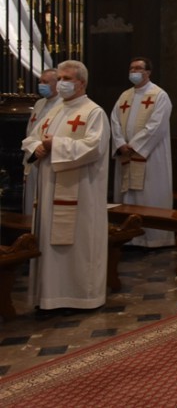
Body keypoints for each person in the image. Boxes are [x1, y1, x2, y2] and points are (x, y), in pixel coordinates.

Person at [22, 60, 109, 317]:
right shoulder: (55, 109)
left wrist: (53, 145)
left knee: (76, 244)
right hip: (49, 188)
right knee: (49, 243)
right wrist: (36, 147)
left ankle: (79, 296)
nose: (61, 83)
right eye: (59, 78)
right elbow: (32, 136)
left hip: (80, 192)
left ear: (81, 83)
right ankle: (50, 296)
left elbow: (93, 148)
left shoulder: (94, 112)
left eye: (66, 78)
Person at [110, 57, 174, 247]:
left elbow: (157, 125)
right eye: (131, 68)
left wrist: (135, 145)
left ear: (148, 72)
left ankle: (153, 239)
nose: (134, 72)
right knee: (128, 194)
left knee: (149, 194)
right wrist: (120, 143)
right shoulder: (125, 96)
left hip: (150, 155)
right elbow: (114, 121)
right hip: (126, 154)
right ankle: (129, 238)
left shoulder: (159, 95)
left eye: (138, 68)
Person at [22, 68, 60, 216]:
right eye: (40, 82)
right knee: (31, 200)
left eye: (45, 82)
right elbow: (31, 130)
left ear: (57, 84)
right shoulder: (39, 103)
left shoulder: (63, 104)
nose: (41, 85)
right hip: (32, 154)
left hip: (47, 156)